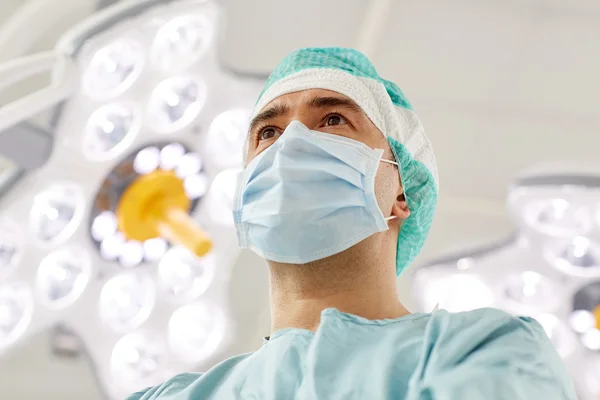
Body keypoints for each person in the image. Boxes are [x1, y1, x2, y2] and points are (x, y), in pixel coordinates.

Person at [127, 47, 577, 400]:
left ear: (402, 192)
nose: (292, 145)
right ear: (245, 193)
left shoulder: (485, 350)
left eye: (333, 119)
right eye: (269, 132)